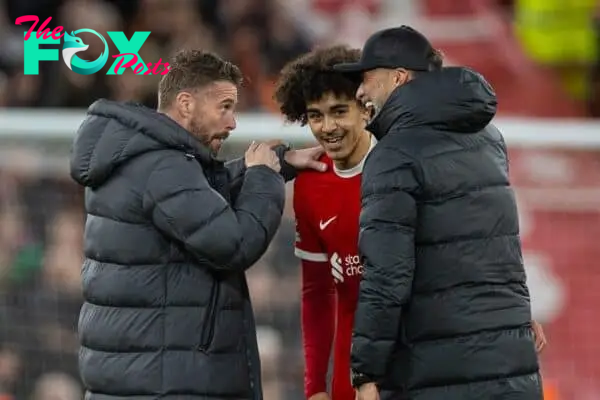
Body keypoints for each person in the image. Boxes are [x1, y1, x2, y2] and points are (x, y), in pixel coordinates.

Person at [69, 49, 325, 400]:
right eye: (224, 106)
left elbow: (199, 198)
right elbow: (234, 242)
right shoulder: (164, 167)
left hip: (144, 379)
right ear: (186, 104)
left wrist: (277, 163)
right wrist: (264, 178)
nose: (233, 122)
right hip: (166, 384)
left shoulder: (145, 156)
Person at [332, 26, 544, 400]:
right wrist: (515, 319)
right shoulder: (489, 139)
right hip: (510, 366)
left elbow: (387, 273)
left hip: (436, 373)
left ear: (398, 78)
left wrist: (366, 370)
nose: (359, 92)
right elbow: (500, 250)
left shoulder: (394, 154)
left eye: (365, 78)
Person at [274, 46, 374, 400]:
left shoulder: (398, 166)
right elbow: (317, 292)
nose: (327, 127)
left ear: (365, 107)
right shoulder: (311, 183)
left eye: (339, 111)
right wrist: (315, 387)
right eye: (316, 115)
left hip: (412, 355)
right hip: (350, 364)